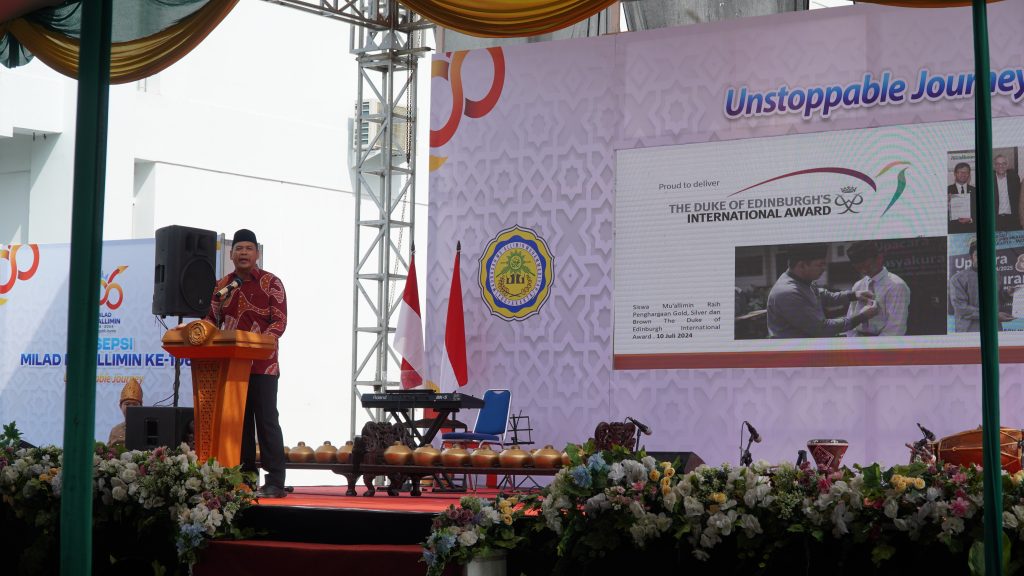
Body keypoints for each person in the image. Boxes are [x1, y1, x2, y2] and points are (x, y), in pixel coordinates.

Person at [204, 229, 288, 498]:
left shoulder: (271, 283)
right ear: (230, 254)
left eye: (248, 248)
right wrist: (197, 332)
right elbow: (211, 320)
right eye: (239, 248)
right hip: (231, 367)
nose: (243, 253)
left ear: (257, 254)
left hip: (263, 365)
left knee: (266, 421)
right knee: (239, 424)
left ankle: (275, 481)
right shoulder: (222, 286)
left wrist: (257, 344)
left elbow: (279, 322)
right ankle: (246, 479)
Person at [766, 243, 879, 338]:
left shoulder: (803, 281)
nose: (824, 269)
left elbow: (825, 296)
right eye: (820, 265)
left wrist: (854, 295)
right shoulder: (788, 293)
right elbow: (822, 329)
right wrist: (862, 317)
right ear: (802, 265)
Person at [844, 241, 910, 336]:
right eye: (858, 268)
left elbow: (896, 328)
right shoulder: (858, 286)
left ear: (879, 258)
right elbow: (850, 321)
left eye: (867, 266)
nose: (864, 271)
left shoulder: (896, 286)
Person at [950, 237, 1014, 332]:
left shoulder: (995, 275)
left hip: (993, 330)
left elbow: (998, 299)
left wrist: (1007, 294)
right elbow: (961, 308)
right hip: (970, 332)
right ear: (970, 258)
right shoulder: (958, 279)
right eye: (977, 255)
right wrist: (993, 316)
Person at [107, 377, 143, 447]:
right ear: (120, 406)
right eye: (127, 404)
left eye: (135, 404)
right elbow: (108, 452)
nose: (131, 407)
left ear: (141, 406)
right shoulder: (115, 430)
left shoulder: (148, 429)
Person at [994, 155, 1022, 231]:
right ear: (994, 166)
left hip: (1012, 219)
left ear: (1007, 165)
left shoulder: (1014, 178)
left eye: (1004, 163)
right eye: (998, 164)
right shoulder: (988, 180)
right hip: (995, 219)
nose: (1001, 166)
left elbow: (1019, 198)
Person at [947, 162, 977, 234]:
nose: (963, 174)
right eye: (960, 172)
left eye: (966, 172)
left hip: (971, 230)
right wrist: (947, 205)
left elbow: (979, 212)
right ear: (955, 174)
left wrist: (971, 219)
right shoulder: (947, 190)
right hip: (952, 230)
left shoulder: (975, 191)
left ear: (969, 174)